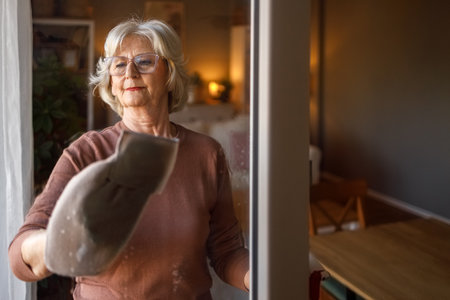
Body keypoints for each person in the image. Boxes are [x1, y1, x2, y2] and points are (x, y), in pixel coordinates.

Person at [9, 18, 249, 299]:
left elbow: (227, 249)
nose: (130, 73)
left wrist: (261, 277)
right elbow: (20, 255)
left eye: (145, 62)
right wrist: (57, 242)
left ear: (169, 73)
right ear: (110, 79)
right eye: (119, 64)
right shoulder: (86, 154)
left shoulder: (206, 154)